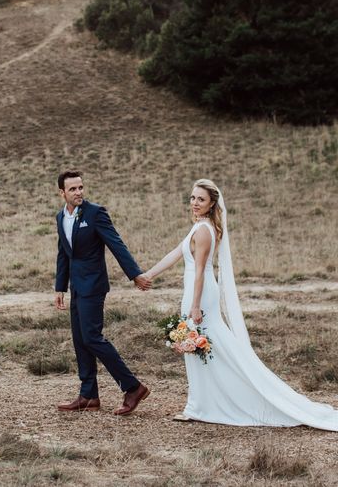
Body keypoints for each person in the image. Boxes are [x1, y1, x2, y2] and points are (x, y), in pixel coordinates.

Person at [143, 178, 338, 429]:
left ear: (212, 203)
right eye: (192, 198)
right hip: (195, 291)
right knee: (204, 347)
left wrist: (194, 306)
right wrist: (149, 274)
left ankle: (200, 405)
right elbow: (175, 253)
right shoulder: (200, 226)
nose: (194, 203)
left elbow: (201, 270)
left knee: (202, 346)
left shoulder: (203, 231)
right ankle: (202, 403)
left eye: (200, 199)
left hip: (199, 294)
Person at [54, 170, 152, 415]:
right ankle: (88, 395)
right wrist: (60, 287)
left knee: (91, 338)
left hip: (94, 286)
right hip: (76, 287)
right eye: (73, 189)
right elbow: (64, 253)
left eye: (81, 188)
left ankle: (133, 387)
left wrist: (134, 274)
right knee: (80, 339)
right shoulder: (60, 217)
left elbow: (116, 243)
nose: (78, 192)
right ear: (62, 193)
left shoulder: (95, 213)